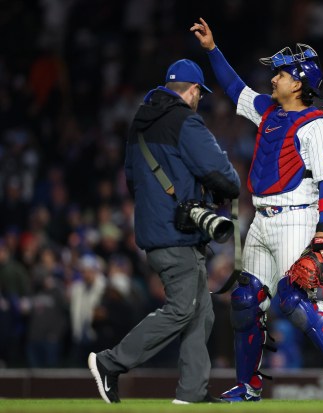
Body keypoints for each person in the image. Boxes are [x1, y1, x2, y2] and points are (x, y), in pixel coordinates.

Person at [190, 18, 323, 403]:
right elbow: (234, 88)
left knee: (294, 300)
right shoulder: (267, 111)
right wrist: (212, 50)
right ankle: (248, 385)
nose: (273, 79)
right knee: (244, 301)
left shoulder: (317, 127)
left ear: (300, 82)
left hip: (297, 217)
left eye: (281, 73)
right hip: (261, 219)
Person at [87, 58, 241, 404]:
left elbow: (131, 180)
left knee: (201, 310)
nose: (200, 99)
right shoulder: (185, 121)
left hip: (156, 228)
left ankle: (192, 392)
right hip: (177, 234)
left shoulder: (139, 123)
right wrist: (220, 187)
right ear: (192, 91)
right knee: (183, 307)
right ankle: (110, 362)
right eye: (199, 93)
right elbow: (221, 174)